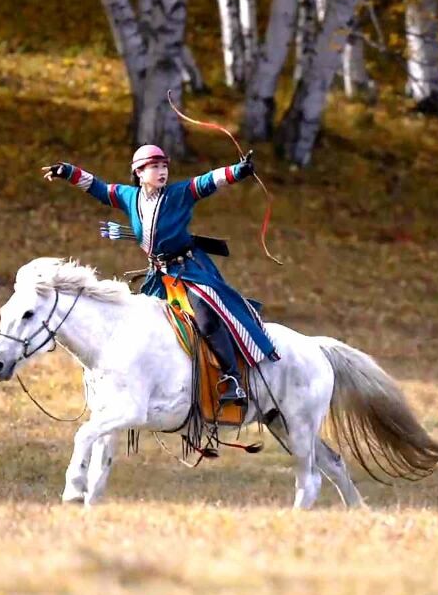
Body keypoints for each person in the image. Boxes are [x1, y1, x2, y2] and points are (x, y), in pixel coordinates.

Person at [42, 145, 279, 404]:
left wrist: (238, 170)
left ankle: (233, 379)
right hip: (159, 276)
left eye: (164, 166)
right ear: (139, 172)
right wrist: (67, 171)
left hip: (190, 271)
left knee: (207, 316)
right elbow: (99, 189)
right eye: (154, 167)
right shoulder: (128, 196)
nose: (162, 171)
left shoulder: (179, 193)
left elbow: (208, 181)